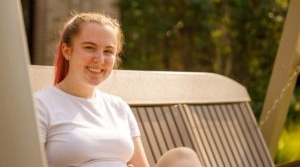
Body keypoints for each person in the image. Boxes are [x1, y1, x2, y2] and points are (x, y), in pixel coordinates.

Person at [34, 12, 202, 167]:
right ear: (67, 51)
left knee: (183, 157)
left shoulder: (118, 107)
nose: (99, 59)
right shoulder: (41, 105)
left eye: (108, 51)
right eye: (89, 48)